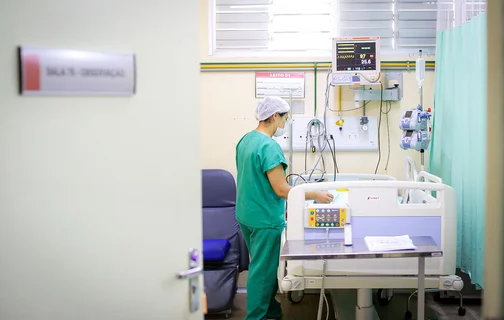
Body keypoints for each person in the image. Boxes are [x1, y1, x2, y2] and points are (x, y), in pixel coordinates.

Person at [235, 96, 334, 320]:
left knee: (263, 268)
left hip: (246, 214)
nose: (285, 123)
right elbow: (281, 189)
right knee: (263, 273)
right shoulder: (269, 147)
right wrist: (314, 194)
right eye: (284, 118)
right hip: (264, 220)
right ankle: (256, 317)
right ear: (273, 116)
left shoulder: (246, 140)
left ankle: (271, 311)